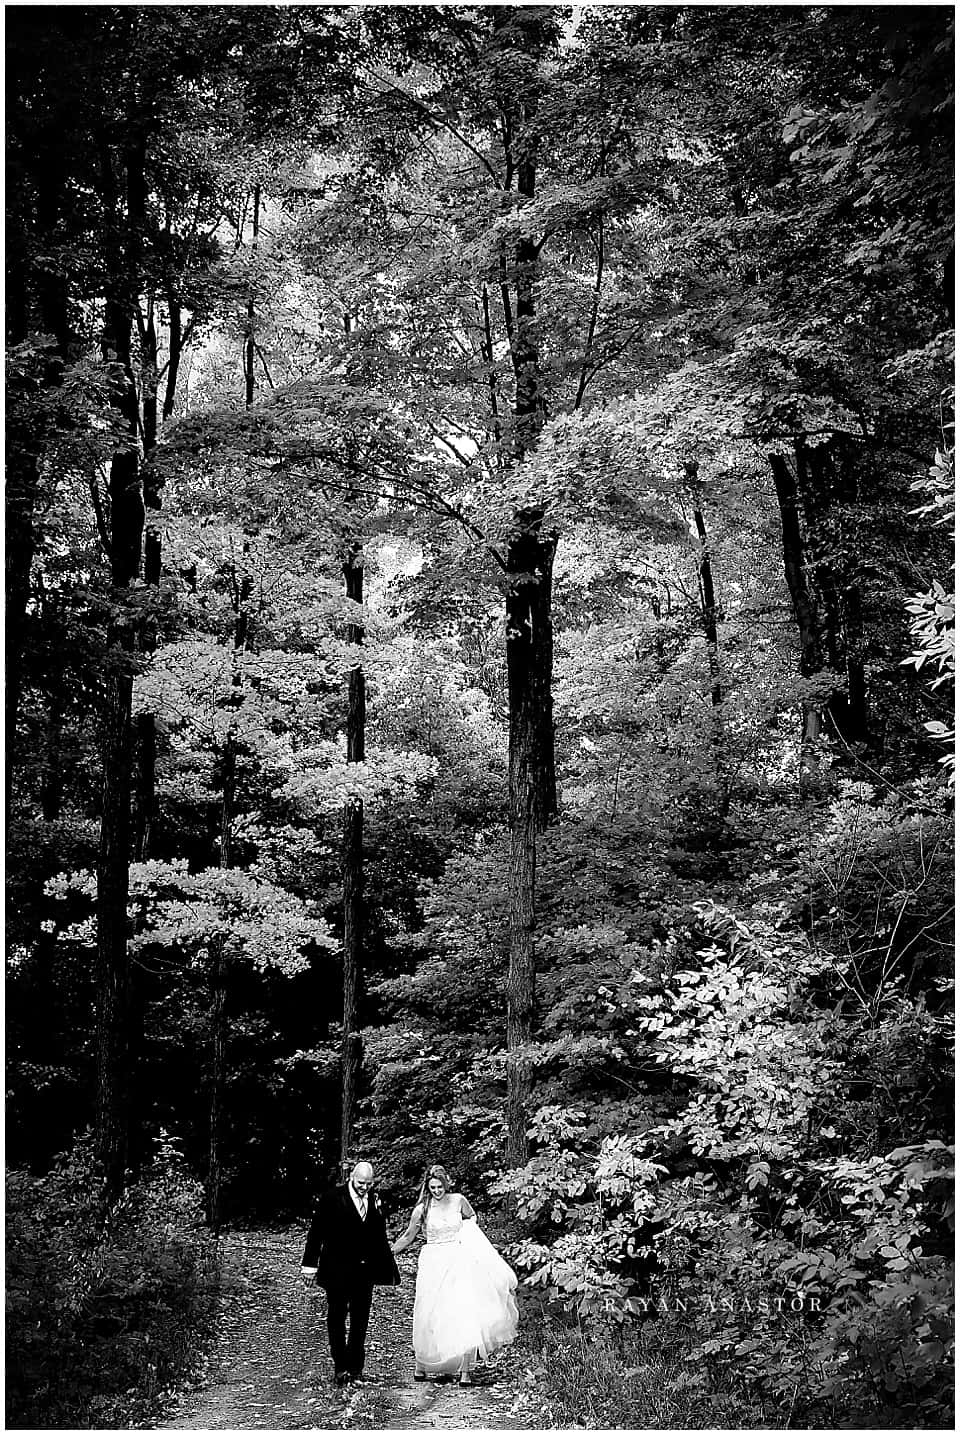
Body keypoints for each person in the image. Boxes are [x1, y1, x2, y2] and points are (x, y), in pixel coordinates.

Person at [391, 1163, 519, 1386]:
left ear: (446, 1184)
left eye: (440, 1187)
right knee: (429, 1311)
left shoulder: (458, 1200)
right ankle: (422, 1364)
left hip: (458, 1259)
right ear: (428, 1187)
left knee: (462, 1310)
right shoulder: (422, 1209)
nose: (437, 1191)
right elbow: (409, 1235)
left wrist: (469, 1237)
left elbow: (472, 1218)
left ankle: (465, 1370)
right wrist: (388, 1252)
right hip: (433, 1262)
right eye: (433, 1188)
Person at [301, 1160, 400, 1385]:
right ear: (351, 1177)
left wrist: (385, 1263)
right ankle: (340, 1367)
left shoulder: (375, 1199)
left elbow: (378, 1234)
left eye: (369, 1183)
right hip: (336, 1268)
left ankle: (356, 1367)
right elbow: (316, 1233)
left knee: (360, 1319)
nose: (365, 1187)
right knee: (336, 1317)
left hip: (364, 1272)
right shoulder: (331, 1198)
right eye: (360, 1183)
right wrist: (309, 1266)